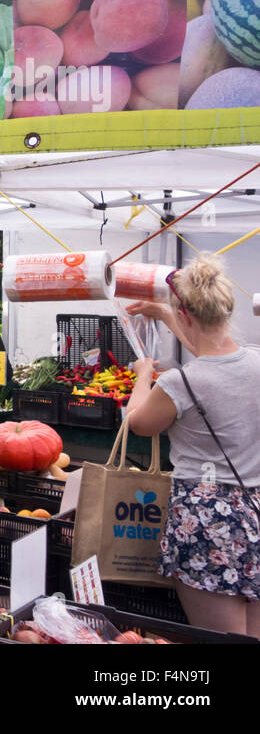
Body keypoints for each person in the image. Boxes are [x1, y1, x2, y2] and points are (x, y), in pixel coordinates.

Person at [126, 253, 260, 638]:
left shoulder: (181, 383)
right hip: (255, 509)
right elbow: (215, 361)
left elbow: (139, 424)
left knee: (222, 638)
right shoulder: (254, 361)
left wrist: (143, 377)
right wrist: (169, 315)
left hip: (208, 521)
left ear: (185, 314)